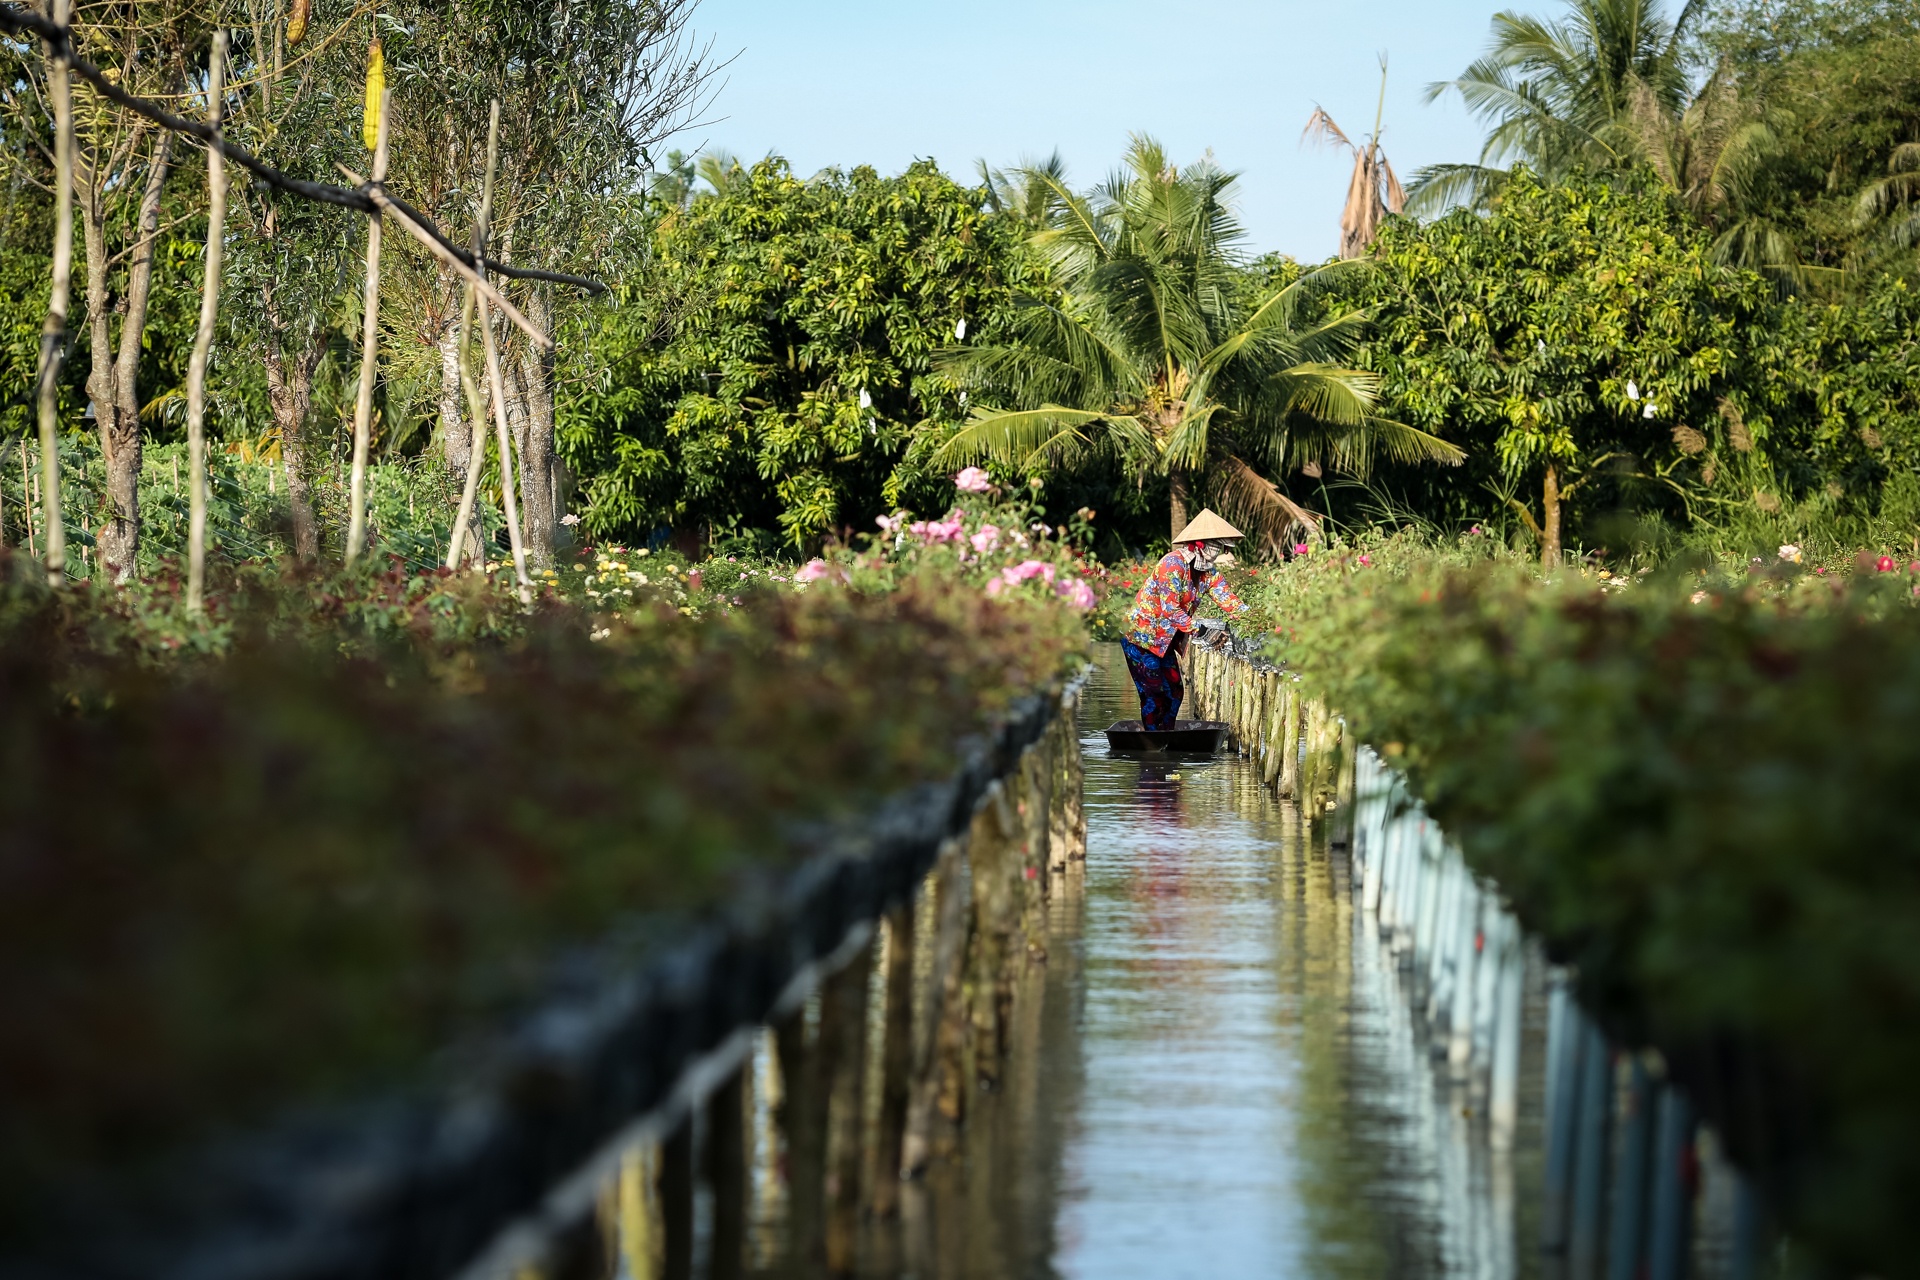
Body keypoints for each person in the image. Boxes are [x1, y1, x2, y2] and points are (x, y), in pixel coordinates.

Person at [1120, 509, 1248, 730]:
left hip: (1165, 642)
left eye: (1222, 547)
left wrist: (1259, 620)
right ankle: (1153, 744)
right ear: (1199, 544)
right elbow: (1171, 609)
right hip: (1141, 637)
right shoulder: (1172, 563)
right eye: (1216, 546)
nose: (1219, 552)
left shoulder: (1208, 573)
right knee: (1155, 694)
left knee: (1175, 691)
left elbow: (1230, 602)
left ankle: (1166, 737)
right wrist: (1204, 631)